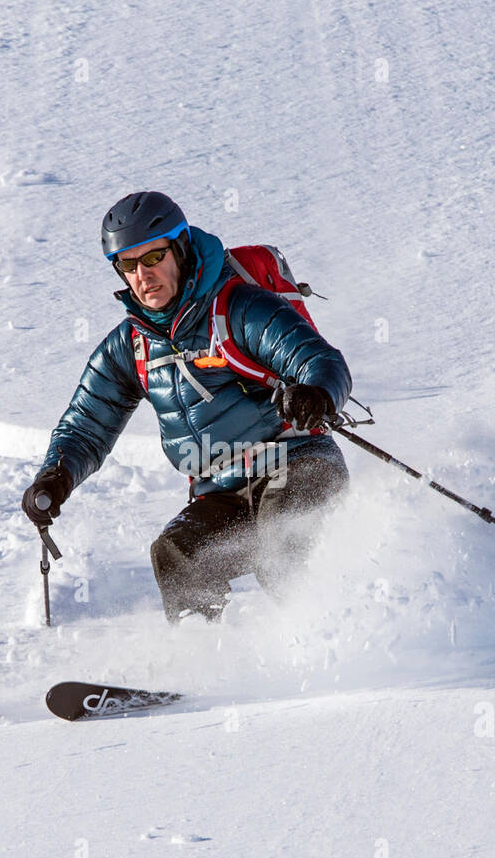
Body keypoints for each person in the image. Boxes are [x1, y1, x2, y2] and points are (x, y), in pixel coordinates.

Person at [21, 191, 352, 622]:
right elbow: (87, 424)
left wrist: (315, 393)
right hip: (222, 490)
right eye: (128, 264)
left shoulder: (238, 309)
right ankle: (203, 662)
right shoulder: (131, 345)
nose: (143, 274)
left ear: (179, 249)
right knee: (177, 553)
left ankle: (336, 641)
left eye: (154, 256)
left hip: (298, 463)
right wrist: (57, 475)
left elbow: (320, 361)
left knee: (282, 544)